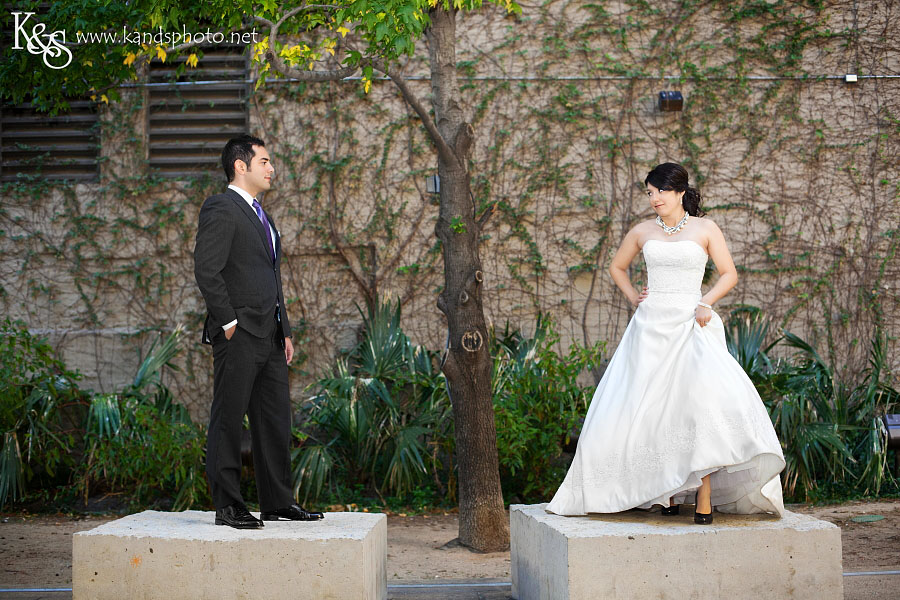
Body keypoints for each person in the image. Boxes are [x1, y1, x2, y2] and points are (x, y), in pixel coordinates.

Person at [546, 162, 785, 524]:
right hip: (650, 327)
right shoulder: (642, 231)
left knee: (697, 408)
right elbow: (617, 267)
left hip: (691, 324)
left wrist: (706, 302)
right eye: (649, 192)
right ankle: (665, 491)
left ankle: (703, 492)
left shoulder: (705, 228)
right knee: (649, 410)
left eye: (659, 191)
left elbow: (729, 274)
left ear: (679, 191)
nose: (654, 198)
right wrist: (634, 298)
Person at [194, 134, 324, 528]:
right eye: (264, 161)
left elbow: (270, 275)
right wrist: (229, 322)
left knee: (274, 421)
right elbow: (207, 269)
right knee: (229, 418)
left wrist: (284, 330)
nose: (272, 169)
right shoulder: (221, 207)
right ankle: (229, 505)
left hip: (269, 335)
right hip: (239, 333)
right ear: (240, 165)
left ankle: (277, 502)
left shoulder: (262, 216)